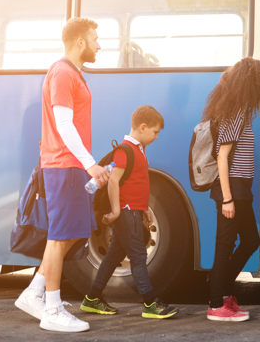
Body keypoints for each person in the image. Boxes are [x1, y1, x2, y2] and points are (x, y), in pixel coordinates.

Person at [15, 18, 109, 332]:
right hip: (64, 165)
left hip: (70, 166)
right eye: (95, 39)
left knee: (72, 233)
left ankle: (35, 292)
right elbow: (63, 124)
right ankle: (52, 310)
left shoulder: (74, 74)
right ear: (80, 41)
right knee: (59, 237)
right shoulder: (62, 72)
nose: (99, 44)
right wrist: (90, 163)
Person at [79, 105, 178, 319]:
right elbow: (114, 182)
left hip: (133, 211)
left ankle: (92, 298)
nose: (157, 136)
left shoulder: (139, 149)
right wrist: (115, 212)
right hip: (125, 212)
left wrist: (144, 211)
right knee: (138, 256)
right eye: (155, 132)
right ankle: (150, 304)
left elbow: (136, 184)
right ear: (142, 127)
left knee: (114, 255)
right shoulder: (125, 151)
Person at [204, 57, 260, 322]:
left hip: (239, 188)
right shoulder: (235, 112)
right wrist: (228, 198)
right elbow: (222, 156)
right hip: (231, 189)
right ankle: (215, 304)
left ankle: (220, 291)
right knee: (224, 245)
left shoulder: (239, 110)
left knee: (250, 241)